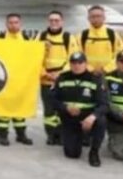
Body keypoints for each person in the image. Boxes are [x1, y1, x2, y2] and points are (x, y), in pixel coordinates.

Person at [51, 52, 107, 167]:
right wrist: (65, 108)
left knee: (101, 121)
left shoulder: (95, 79)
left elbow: (104, 104)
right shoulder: (62, 78)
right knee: (72, 154)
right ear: (70, 64)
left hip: (88, 117)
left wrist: (92, 117)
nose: (77, 66)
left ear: (86, 64)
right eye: (73, 63)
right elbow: (52, 100)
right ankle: (78, 136)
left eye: (80, 63)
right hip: (69, 117)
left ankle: (94, 152)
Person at [37, 11, 79, 146]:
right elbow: (35, 59)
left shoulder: (68, 38)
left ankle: (61, 134)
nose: (54, 23)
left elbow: (72, 59)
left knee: (62, 109)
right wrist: (45, 73)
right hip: (46, 80)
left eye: (57, 20)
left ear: (62, 22)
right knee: (49, 111)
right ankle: (50, 135)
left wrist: (60, 75)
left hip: (63, 81)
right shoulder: (41, 37)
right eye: (51, 20)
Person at [0, 13, 33, 146]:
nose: (13, 25)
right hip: (4, 78)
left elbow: (31, 57)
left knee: (19, 108)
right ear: (6, 24)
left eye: (16, 22)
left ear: (20, 24)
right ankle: (3, 135)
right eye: (10, 22)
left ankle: (21, 134)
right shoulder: (0, 38)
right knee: (3, 109)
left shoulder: (26, 38)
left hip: (20, 79)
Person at [78, 5, 123, 76]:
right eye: (93, 16)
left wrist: (107, 69)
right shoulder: (82, 35)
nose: (96, 19)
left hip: (109, 73)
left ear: (104, 18)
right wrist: (90, 69)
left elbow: (119, 54)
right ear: (88, 18)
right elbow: (79, 55)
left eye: (99, 16)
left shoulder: (112, 35)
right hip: (88, 74)